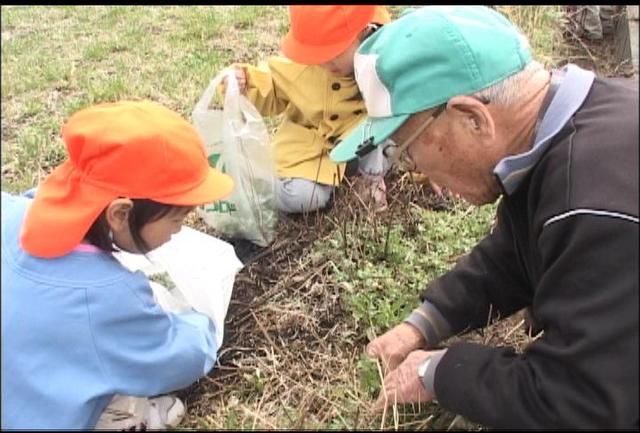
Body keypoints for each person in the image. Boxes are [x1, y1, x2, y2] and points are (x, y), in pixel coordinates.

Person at [330, 6, 638, 429]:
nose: (414, 170)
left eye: (406, 149)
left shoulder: (592, 206)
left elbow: (577, 399)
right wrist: (424, 324)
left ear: (472, 118)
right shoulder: (576, 121)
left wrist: (438, 372)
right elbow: (517, 249)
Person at [1, 101, 235, 430]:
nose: (180, 229)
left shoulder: (10, 212)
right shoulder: (109, 296)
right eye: (178, 218)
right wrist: (202, 324)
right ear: (120, 214)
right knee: (132, 402)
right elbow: (180, 358)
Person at [221, 5, 391, 213]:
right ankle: (258, 185)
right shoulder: (303, 67)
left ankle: (370, 182)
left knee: (386, 135)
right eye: (317, 54)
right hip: (313, 150)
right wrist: (246, 83)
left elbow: (417, 103)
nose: (325, 62)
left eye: (334, 52)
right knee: (301, 197)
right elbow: (272, 85)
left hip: (365, 143)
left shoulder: (386, 59)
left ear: (363, 31)